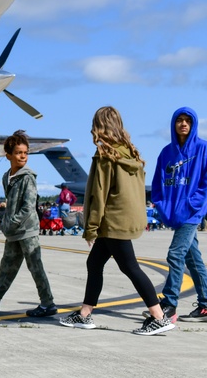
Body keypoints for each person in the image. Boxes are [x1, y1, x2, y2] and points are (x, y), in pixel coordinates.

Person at [59, 106, 175, 336]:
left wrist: (90, 227)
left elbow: (98, 193)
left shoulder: (106, 154)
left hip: (112, 220)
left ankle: (159, 317)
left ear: (98, 127)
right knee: (95, 264)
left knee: (130, 267)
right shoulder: (130, 153)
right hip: (126, 218)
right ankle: (84, 314)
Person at [0, 131, 58, 317]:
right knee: (7, 266)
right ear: (8, 155)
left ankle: (47, 303)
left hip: (26, 230)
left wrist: (9, 222)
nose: (23, 156)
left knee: (35, 266)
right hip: (13, 231)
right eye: (19, 152)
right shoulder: (7, 177)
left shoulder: (28, 178)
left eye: (25, 153)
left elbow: (28, 208)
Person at [150, 107, 207, 322]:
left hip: (192, 213)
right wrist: (162, 204)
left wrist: (191, 204)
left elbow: (205, 183)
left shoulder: (203, 149)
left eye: (188, 121)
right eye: (179, 120)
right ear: (174, 124)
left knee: (175, 254)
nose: (183, 124)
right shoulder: (166, 152)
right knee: (193, 260)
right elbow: (157, 182)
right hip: (174, 213)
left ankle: (169, 304)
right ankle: (205, 305)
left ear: (193, 125)